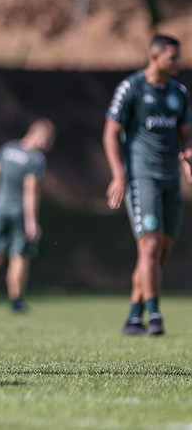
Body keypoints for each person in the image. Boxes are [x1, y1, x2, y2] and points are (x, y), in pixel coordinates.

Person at [103, 34, 192, 336]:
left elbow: (186, 133)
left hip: (171, 179)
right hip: (143, 178)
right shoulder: (131, 88)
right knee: (150, 246)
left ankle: (132, 316)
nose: (178, 62)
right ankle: (154, 316)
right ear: (155, 57)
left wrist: (188, 151)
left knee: (160, 251)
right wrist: (118, 174)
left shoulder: (179, 92)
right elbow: (111, 133)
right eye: (173, 57)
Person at [0, 118, 56, 313]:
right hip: (20, 212)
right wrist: (32, 220)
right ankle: (16, 301)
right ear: (38, 134)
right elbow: (30, 190)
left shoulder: (7, 149)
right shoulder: (36, 159)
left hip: (0, 209)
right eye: (48, 140)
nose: (48, 146)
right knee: (19, 257)